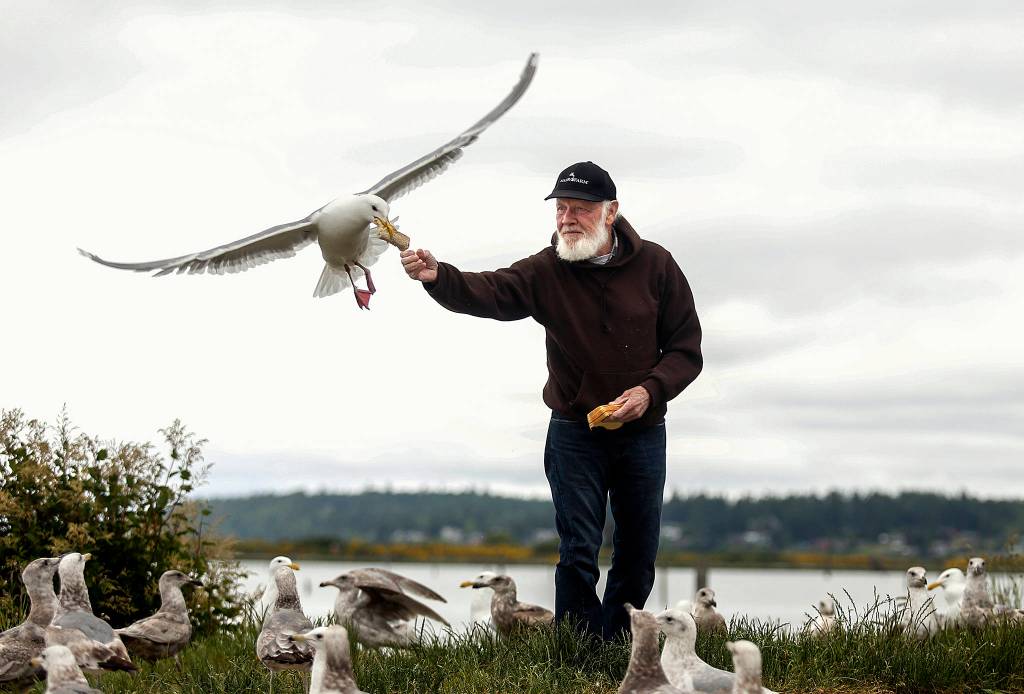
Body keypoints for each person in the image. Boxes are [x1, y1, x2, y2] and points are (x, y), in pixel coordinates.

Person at [400, 161, 702, 640]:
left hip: (643, 432)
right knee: (579, 547)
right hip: (574, 430)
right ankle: (577, 651)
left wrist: (649, 391)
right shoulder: (547, 269)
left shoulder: (656, 266)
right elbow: (493, 291)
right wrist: (439, 277)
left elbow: (687, 350)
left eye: (581, 210)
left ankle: (618, 644)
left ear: (611, 213)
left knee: (638, 550)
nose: (567, 219)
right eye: (561, 208)